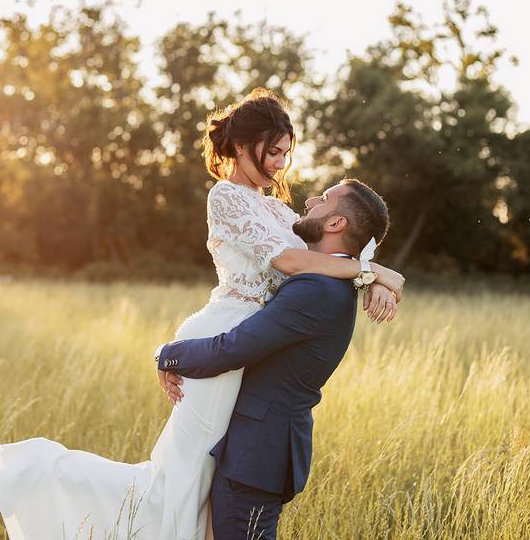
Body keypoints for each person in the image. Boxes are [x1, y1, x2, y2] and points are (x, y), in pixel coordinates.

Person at [0, 88, 404, 540]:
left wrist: (377, 279)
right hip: (219, 339)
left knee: (203, 484)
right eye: (273, 152)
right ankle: (41, 475)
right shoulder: (225, 196)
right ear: (244, 145)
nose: (280, 164)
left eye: (286, 153)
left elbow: (329, 244)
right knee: (174, 483)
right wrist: (372, 271)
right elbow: (291, 262)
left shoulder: (276, 209)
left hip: (240, 347)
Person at [156, 177, 391, 540]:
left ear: (335, 224)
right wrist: (378, 276)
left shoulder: (316, 288)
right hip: (261, 448)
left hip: (257, 452)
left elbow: (234, 348)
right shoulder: (334, 280)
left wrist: (168, 355)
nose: (310, 200)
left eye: (325, 199)